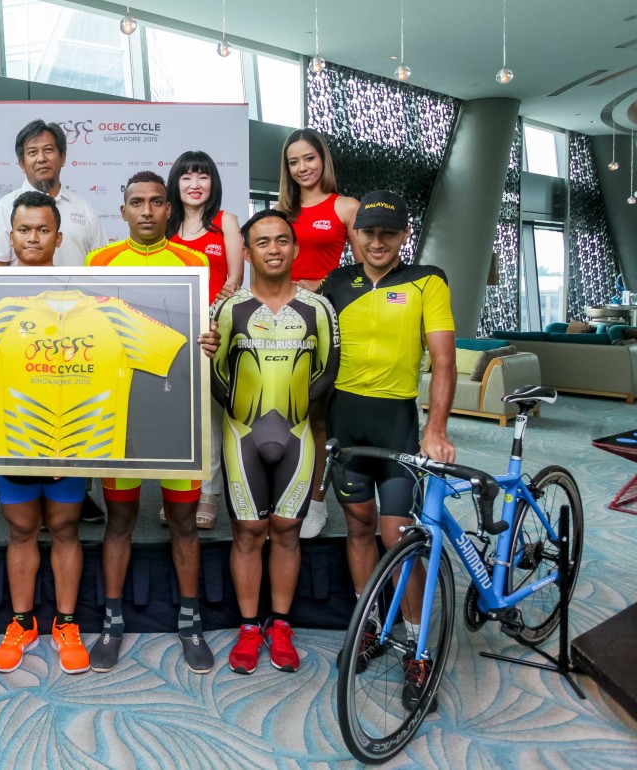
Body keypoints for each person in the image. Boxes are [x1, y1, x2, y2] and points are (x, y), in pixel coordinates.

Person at [318, 190, 455, 709]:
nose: (377, 241)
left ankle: (418, 646)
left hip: (397, 424)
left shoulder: (427, 280)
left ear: (404, 235)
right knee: (356, 525)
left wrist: (436, 430)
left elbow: (443, 360)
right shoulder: (336, 283)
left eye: (389, 233)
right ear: (356, 236)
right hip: (345, 425)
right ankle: (371, 626)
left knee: (396, 536)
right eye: (368, 232)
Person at [84, 171, 213, 674]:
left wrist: (209, 342)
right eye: (136, 202)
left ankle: (190, 621)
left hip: (176, 408)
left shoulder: (193, 261)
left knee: (183, 520)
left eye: (156, 202)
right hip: (120, 413)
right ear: (122, 211)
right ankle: (112, 623)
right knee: (120, 519)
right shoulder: (100, 261)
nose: (146, 211)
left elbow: (204, 330)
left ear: (168, 209)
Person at [199, 209, 338, 674]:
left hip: (297, 436)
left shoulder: (320, 308)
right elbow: (216, 377)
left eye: (282, 240)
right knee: (248, 533)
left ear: (295, 249)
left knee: (286, 532)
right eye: (263, 242)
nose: (274, 249)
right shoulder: (228, 308)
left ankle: (280, 624)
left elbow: (328, 373)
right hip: (243, 435)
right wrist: (239, 409)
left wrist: (299, 414)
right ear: (247, 252)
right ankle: (247, 627)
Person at [0, 191, 90, 675]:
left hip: (72, 432)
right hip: (13, 434)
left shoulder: (84, 292)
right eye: (24, 230)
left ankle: (66, 623)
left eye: (42, 229)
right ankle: (22, 622)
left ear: (59, 236)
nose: (32, 237)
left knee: (66, 527)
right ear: (10, 236)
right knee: (22, 529)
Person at [276, 128, 361, 539]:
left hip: (328, 315)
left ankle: (316, 503)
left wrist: (322, 284)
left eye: (308, 158)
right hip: (282, 317)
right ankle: (288, 491)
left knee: (318, 416)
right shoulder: (282, 211)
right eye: (294, 162)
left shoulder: (345, 206)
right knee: (284, 414)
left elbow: (365, 274)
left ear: (322, 159)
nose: (302, 168)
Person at [165, 150, 244, 530]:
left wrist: (210, 318)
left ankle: (209, 492)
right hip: (172, 336)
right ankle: (179, 493)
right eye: (186, 177)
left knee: (210, 419)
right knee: (178, 418)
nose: (195, 185)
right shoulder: (167, 228)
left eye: (202, 177)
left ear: (213, 182)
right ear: (175, 184)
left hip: (214, 334)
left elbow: (234, 282)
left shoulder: (225, 222)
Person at [0, 119, 106, 267]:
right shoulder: (5, 207)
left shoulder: (84, 209)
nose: (41, 158)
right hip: (20, 291)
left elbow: (100, 265)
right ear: (22, 163)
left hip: (73, 291)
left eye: (48, 150)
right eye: (32, 152)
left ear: (63, 158)